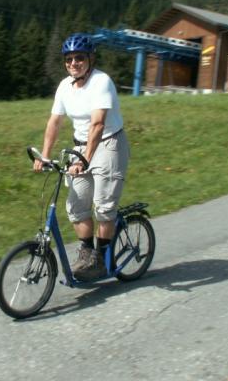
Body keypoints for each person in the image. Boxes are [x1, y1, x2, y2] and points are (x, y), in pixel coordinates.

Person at [33, 33, 130, 281]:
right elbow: (55, 122)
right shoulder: (65, 87)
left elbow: (98, 124)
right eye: (69, 59)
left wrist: (85, 159)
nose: (73, 63)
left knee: (104, 206)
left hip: (108, 143)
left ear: (90, 59)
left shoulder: (101, 82)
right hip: (80, 147)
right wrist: (45, 156)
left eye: (79, 58)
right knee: (76, 206)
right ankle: (88, 255)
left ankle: (102, 259)